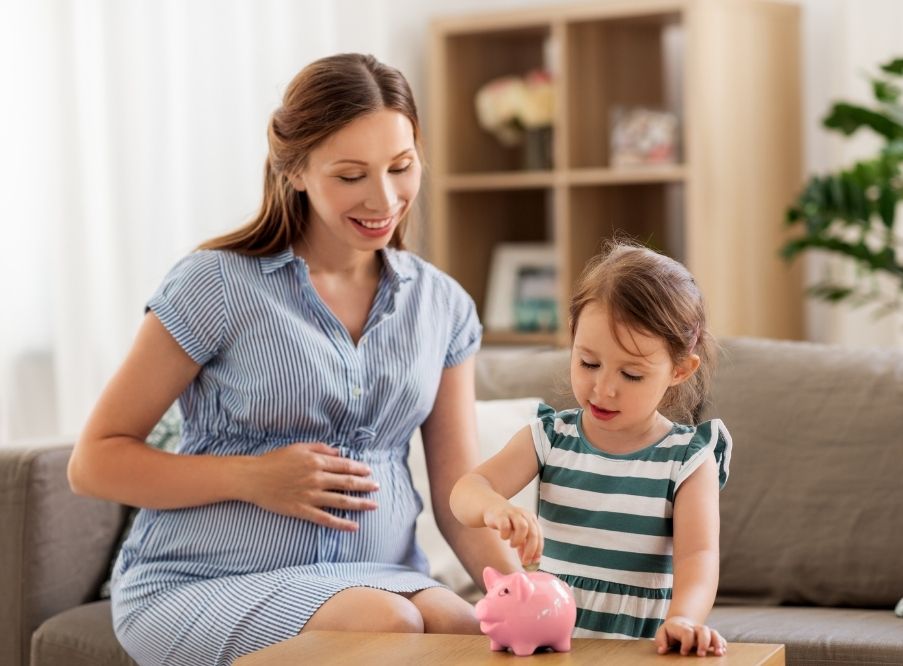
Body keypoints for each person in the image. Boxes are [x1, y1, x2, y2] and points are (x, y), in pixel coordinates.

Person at [67, 53, 520, 666]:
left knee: (466, 630)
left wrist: (517, 589)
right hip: (205, 581)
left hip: (382, 574)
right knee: (382, 622)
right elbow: (94, 462)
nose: (384, 198)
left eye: (401, 167)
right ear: (296, 170)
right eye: (351, 174)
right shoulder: (217, 285)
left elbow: (456, 493)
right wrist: (250, 477)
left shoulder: (442, 305)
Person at [450, 242, 732, 657]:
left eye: (632, 374)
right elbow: (466, 491)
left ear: (679, 370)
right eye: (588, 363)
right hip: (549, 646)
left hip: (638, 649)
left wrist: (685, 618)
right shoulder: (549, 437)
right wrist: (493, 505)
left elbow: (699, 557)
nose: (603, 388)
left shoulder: (687, 460)